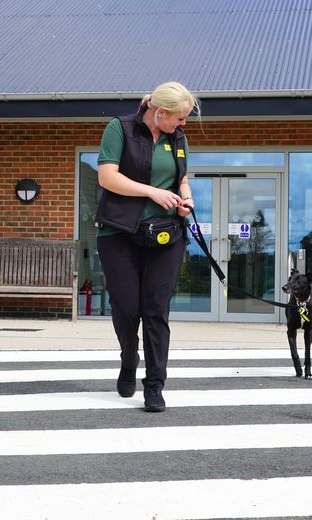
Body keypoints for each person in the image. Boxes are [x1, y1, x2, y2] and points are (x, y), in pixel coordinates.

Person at [94, 81, 200, 412]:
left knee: (156, 310)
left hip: (166, 235)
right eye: (179, 118)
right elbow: (107, 177)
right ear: (161, 112)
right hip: (120, 233)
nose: (183, 125)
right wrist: (151, 192)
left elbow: (180, 178)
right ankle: (129, 357)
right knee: (126, 308)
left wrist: (186, 199)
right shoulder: (120, 129)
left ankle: (154, 384)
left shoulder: (177, 138)